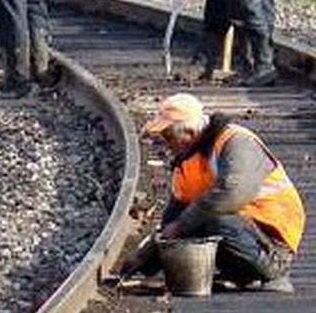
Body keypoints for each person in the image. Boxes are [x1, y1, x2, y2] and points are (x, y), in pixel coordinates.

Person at [121, 93, 305, 292]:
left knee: (211, 218)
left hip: (272, 242)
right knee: (195, 220)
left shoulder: (237, 142)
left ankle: (274, 271)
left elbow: (233, 194)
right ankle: (242, 274)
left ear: (190, 133)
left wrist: (181, 225)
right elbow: (173, 221)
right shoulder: (188, 162)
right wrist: (142, 261)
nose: (166, 143)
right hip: (240, 233)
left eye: (169, 136)